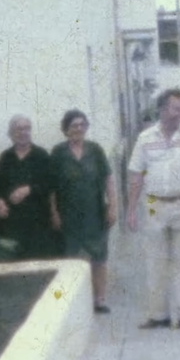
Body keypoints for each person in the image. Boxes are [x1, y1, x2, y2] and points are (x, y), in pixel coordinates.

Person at [125, 88, 180, 330]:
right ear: (162, 109)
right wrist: (131, 210)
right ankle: (158, 315)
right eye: (176, 108)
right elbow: (136, 175)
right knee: (155, 260)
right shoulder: (145, 138)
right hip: (153, 204)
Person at [50, 109, 118, 314]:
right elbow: (51, 187)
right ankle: (70, 301)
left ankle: (100, 300)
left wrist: (113, 206)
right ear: (66, 129)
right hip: (68, 214)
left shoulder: (95, 150)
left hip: (95, 212)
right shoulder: (58, 152)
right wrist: (54, 212)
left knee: (99, 258)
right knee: (71, 259)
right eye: (74, 125)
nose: (78, 129)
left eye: (82, 125)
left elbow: (108, 179)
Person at [0, 115, 61, 260]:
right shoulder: (6, 157)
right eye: (19, 129)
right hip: (11, 224)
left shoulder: (41, 155)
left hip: (38, 224)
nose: (23, 132)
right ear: (10, 134)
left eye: (27, 128)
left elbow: (51, 184)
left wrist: (29, 189)